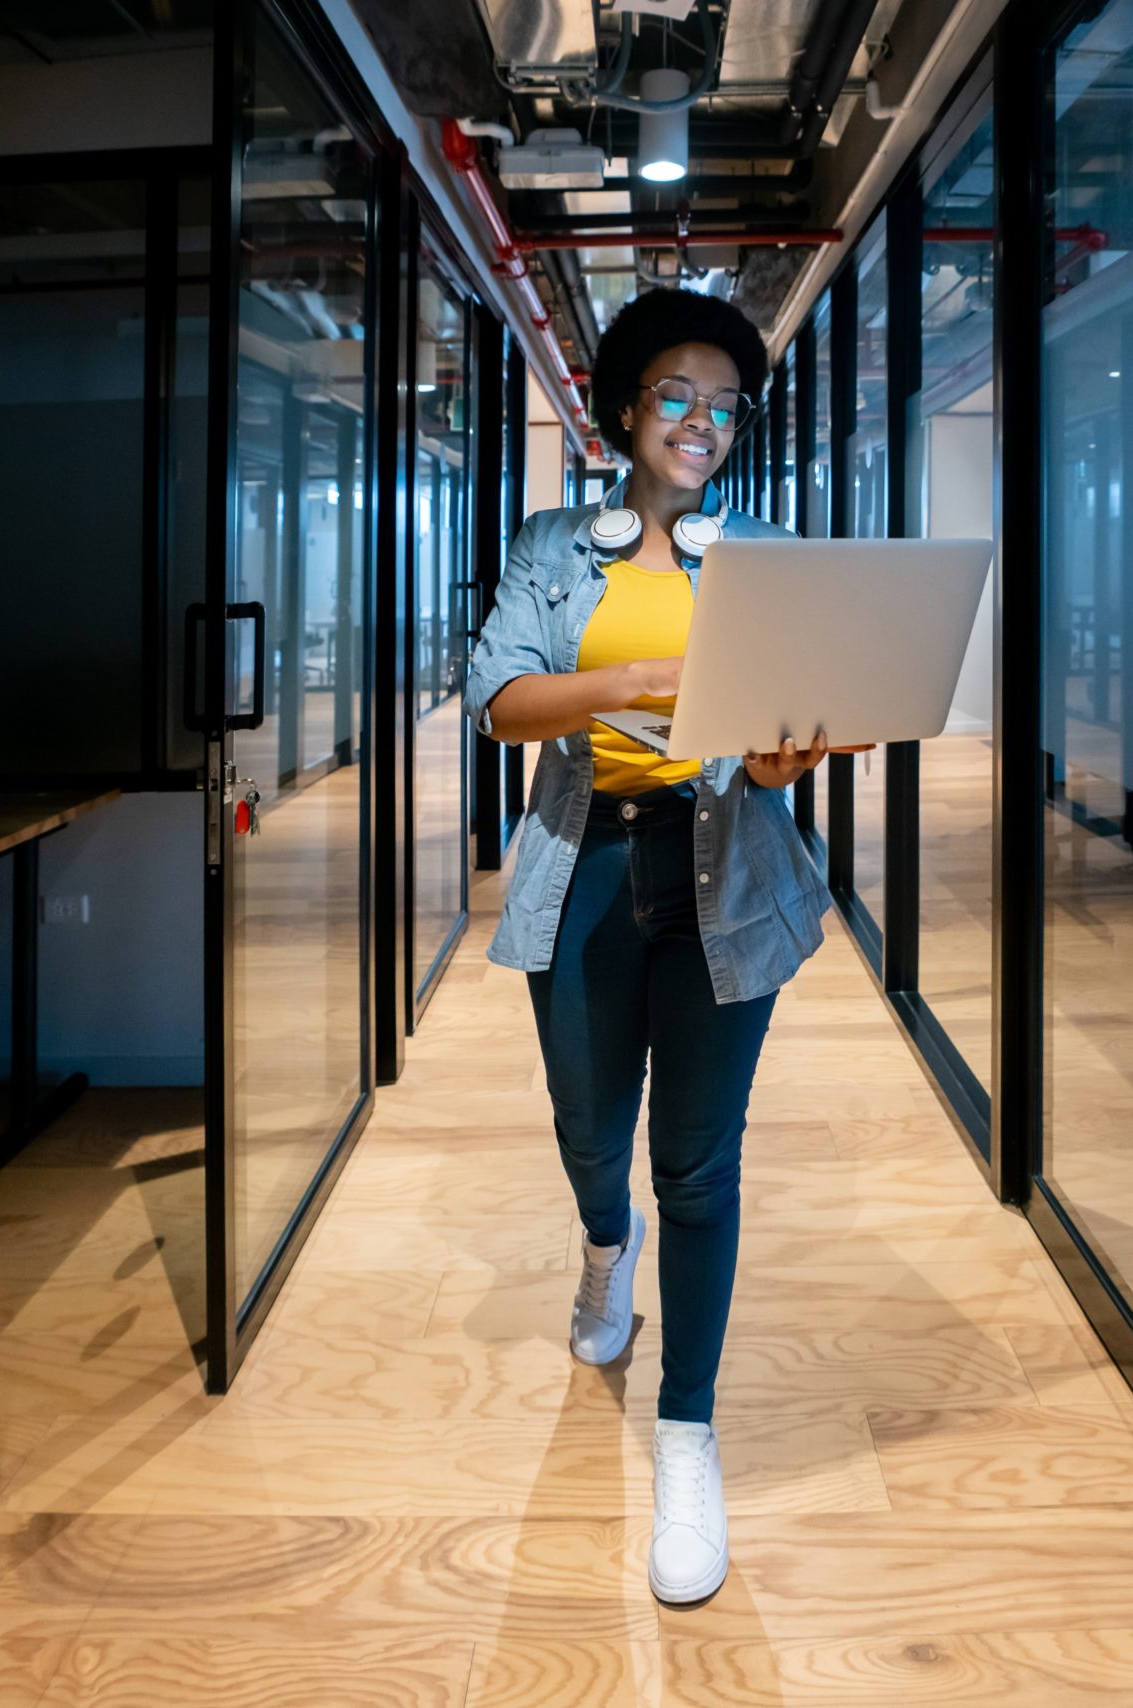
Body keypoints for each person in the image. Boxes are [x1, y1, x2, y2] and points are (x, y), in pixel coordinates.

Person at [463, 288, 848, 1605]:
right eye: (675, 396)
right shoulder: (555, 544)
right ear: (627, 411)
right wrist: (630, 683)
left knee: (698, 1164)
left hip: (725, 864)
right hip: (587, 865)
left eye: (723, 403)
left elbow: (792, 729)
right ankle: (597, 1244)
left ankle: (689, 1432)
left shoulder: (769, 553)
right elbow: (501, 703)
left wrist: (794, 752)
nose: (701, 421)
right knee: (589, 1128)